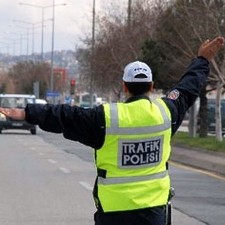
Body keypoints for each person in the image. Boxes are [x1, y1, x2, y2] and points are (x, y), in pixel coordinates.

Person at [0, 36, 224, 225]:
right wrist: (203, 59)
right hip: (154, 212)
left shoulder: (105, 118)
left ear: (124, 87)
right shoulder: (165, 113)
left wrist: (27, 113)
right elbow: (187, 88)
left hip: (114, 213)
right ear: (152, 86)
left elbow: (65, 116)